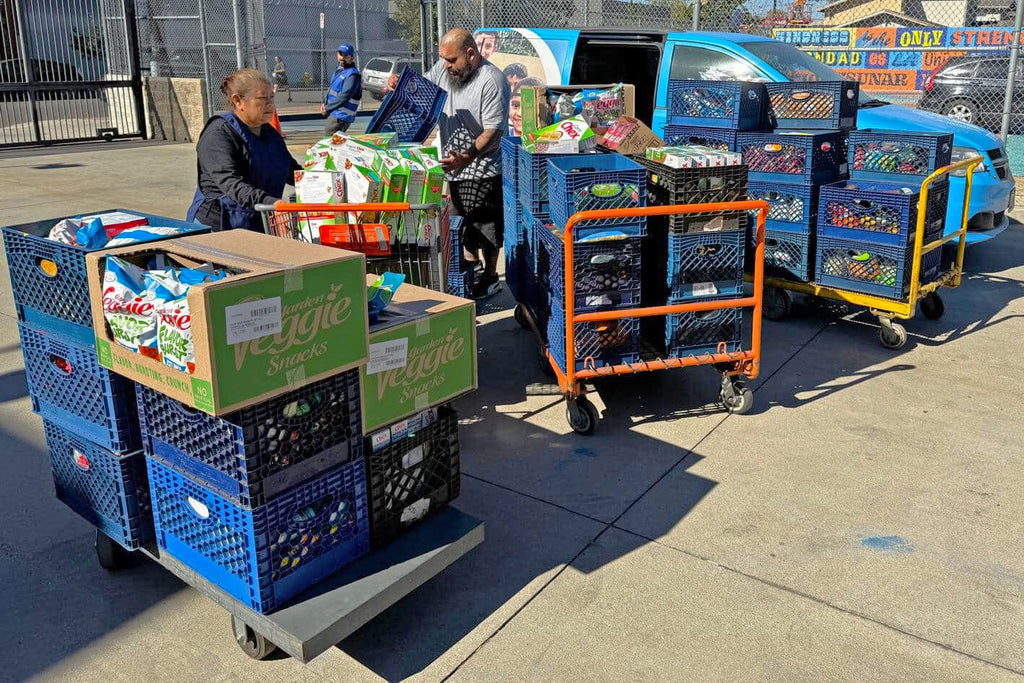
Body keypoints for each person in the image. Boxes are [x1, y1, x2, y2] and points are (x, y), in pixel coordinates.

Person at [390, 28, 510, 299]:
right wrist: (400, 84)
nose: (446, 65)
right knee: (459, 227)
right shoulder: (445, 71)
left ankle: (491, 276)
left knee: (487, 229)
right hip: (454, 168)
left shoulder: (492, 81)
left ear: (470, 54)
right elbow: (421, 88)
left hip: (484, 170)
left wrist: (465, 158)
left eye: (452, 60)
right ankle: (471, 267)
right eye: (443, 59)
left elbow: (492, 133)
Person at [187, 69, 299, 232]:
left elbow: (291, 171)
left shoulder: (270, 134)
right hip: (221, 224)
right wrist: (270, 202)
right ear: (238, 101)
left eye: (272, 98)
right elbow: (229, 182)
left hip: (260, 220)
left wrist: (321, 180)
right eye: (262, 98)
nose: (270, 104)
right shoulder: (218, 134)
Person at [321, 43, 362, 136]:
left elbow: (345, 96)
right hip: (334, 113)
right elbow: (332, 89)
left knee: (331, 143)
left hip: (340, 117)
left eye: (346, 55)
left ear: (352, 58)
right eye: (340, 54)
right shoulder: (340, 70)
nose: (342, 58)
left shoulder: (352, 76)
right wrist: (325, 103)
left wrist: (327, 108)